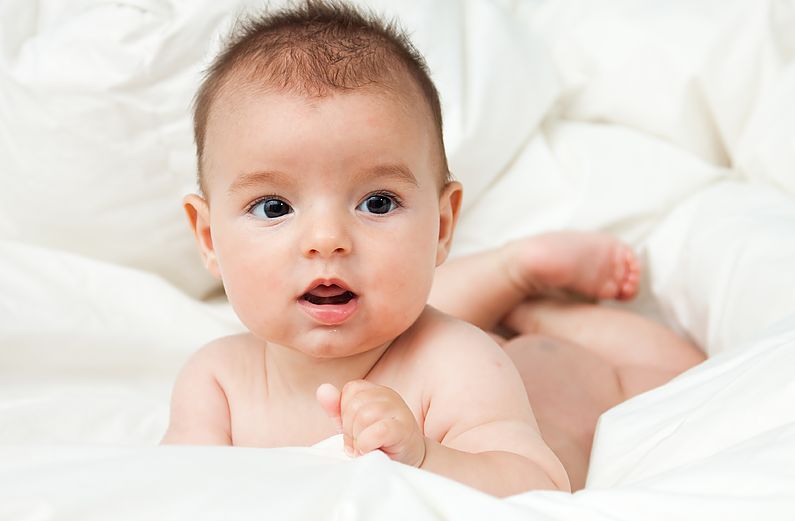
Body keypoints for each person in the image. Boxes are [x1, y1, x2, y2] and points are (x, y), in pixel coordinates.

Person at [163, 0, 704, 495]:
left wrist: (426, 457)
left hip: (556, 382)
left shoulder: (459, 363)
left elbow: (537, 482)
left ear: (442, 225)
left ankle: (538, 309)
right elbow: (169, 495)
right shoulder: (216, 382)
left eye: (377, 202)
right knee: (410, 298)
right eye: (274, 208)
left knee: (679, 376)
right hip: (448, 332)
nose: (326, 240)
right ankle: (511, 282)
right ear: (209, 238)